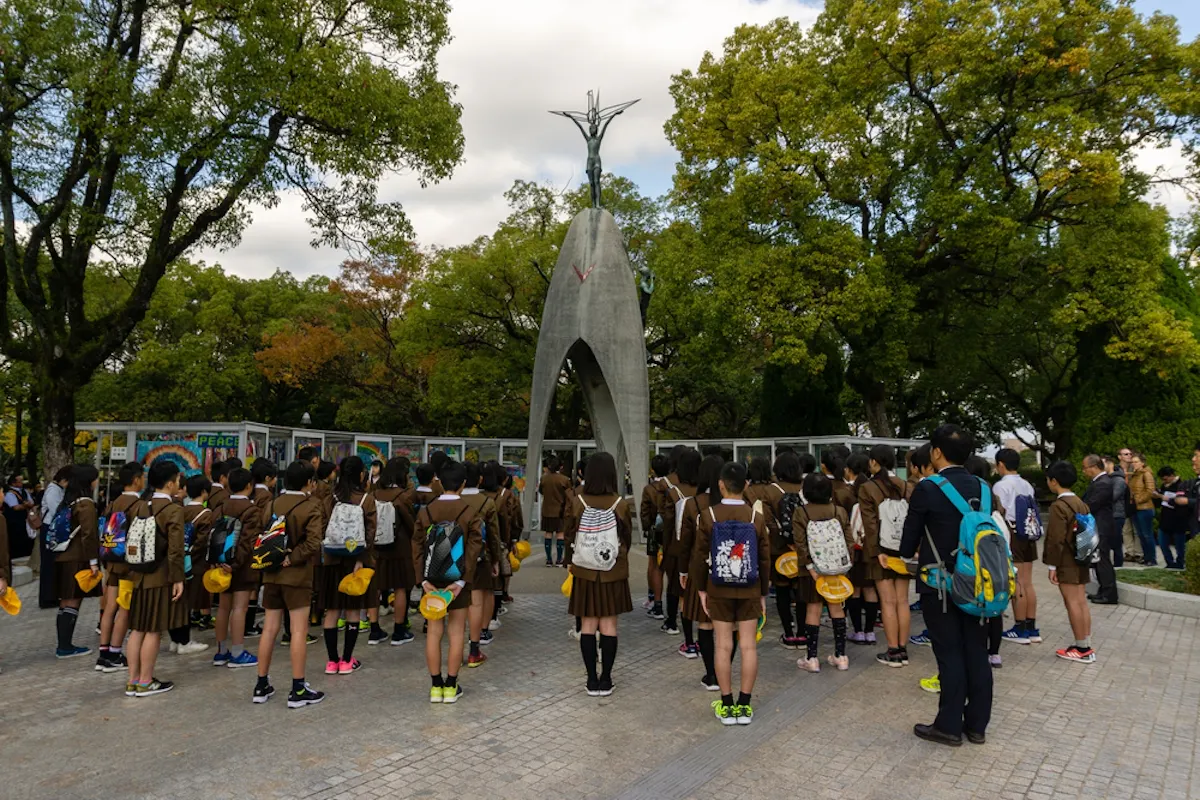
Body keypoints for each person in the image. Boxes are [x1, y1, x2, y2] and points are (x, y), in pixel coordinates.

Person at [900, 424, 991, 747]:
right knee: (976, 650)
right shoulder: (983, 487)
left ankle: (949, 725)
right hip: (980, 583)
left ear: (936, 453)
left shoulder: (928, 488)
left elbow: (907, 543)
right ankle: (977, 724)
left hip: (940, 586)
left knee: (949, 652)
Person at [693, 462, 769, 726]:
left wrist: (701, 589)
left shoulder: (708, 515)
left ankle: (726, 705)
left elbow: (699, 556)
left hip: (718, 587)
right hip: (749, 587)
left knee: (723, 645)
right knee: (748, 645)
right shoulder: (755, 518)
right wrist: (763, 592)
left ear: (721, 484)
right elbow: (764, 559)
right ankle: (744, 706)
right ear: (746, 485)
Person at [254, 460, 326, 708]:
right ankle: (297, 688)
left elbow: (262, 535)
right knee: (298, 630)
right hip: (297, 577)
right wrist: (292, 559)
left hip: (271, 575)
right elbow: (313, 542)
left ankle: (261, 684)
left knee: (269, 629)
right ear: (309, 482)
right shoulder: (311, 506)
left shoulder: (272, 503)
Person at [563, 452, 633, 696]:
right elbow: (627, 539)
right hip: (613, 572)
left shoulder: (577, 501)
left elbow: (569, 534)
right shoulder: (620, 503)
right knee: (609, 625)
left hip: (585, 571)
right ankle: (607, 678)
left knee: (589, 625)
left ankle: (591, 679)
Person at [416, 461, 482, 704]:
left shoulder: (427, 512)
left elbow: (416, 547)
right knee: (456, 633)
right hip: (457, 580)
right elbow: (474, 549)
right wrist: (464, 581)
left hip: (431, 579)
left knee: (434, 632)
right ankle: (451, 686)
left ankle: (435, 687)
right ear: (463, 484)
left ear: (440, 482)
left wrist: (422, 580)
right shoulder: (469, 512)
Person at [125, 460, 186, 697]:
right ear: (170, 483)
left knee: (137, 629)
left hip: (138, 574)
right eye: (178, 480)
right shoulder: (173, 510)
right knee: (153, 630)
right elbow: (175, 549)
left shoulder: (139, 506)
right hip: (160, 576)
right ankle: (146, 681)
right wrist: (178, 578)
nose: (179, 484)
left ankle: (132, 680)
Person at [315, 456, 377, 676]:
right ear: (360, 475)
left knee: (331, 610)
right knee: (352, 610)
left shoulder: (329, 499)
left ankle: (332, 661)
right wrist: (362, 559)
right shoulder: (366, 500)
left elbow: (322, 528)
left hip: (332, 561)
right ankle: (347, 660)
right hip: (355, 562)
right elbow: (370, 535)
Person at [792, 472, 853, 673]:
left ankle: (812, 658)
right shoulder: (839, 511)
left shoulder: (802, 512)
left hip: (812, 571)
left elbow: (800, 544)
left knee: (813, 609)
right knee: (837, 608)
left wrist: (810, 568)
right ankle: (841, 656)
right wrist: (845, 565)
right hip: (837, 570)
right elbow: (848, 540)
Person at [860, 444, 914, 668]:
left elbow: (870, 525)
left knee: (888, 601)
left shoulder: (867, 488)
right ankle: (903, 648)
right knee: (902, 600)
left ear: (873, 462)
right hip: (903, 550)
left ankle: (892, 651)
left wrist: (877, 552)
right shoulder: (907, 486)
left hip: (881, 550)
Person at [1043, 460, 1097, 664]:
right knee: (1081, 601)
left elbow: (1055, 539)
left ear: (1054, 481)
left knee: (1072, 602)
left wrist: (1051, 565)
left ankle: (1081, 647)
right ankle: (1086, 643)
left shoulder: (1059, 506)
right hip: (1082, 556)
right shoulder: (1080, 503)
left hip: (1066, 560)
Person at [679, 454, 726, 686]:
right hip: (730, 570)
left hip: (702, 570)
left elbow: (685, 543)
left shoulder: (693, 503)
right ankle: (724, 670)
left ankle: (712, 675)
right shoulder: (734, 503)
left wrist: (683, 572)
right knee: (728, 625)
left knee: (705, 624)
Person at [49, 465, 102, 659]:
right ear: (89, 481)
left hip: (63, 557)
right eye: (96, 479)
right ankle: (65, 647)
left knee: (64, 603)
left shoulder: (69, 502)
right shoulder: (86, 504)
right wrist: (94, 562)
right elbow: (89, 535)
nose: (97, 482)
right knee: (72, 602)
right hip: (78, 559)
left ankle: (63, 644)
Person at [212, 468, 262, 669]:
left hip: (220, 563)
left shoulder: (221, 506)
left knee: (224, 608)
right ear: (249, 486)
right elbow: (248, 542)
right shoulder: (251, 511)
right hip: (241, 567)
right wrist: (235, 564)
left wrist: (219, 561)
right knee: (239, 608)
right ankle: (238, 651)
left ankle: (221, 651)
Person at [992, 448, 1042, 645]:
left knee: (1017, 581)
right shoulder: (1027, 484)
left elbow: (1000, 512)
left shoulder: (1000, 486)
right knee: (1028, 581)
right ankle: (1031, 626)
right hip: (1029, 531)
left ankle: (1019, 627)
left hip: (1013, 532)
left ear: (1001, 464)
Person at [96, 462, 142, 672]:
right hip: (129, 564)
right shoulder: (140, 505)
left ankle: (103, 653)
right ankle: (115, 652)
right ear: (136, 480)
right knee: (125, 607)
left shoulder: (113, 504)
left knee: (110, 607)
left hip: (112, 561)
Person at [372, 457, 417, 647]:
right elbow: (411, 524)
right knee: (400, 587)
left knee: (375, 586)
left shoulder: (374, 493)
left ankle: (374, 629)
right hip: (399, 546)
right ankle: (399, 630)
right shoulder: (403, 496)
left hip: (376, 547)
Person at [460, 461, 501, 667]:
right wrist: (496, 560)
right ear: (481, 479)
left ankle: (455, 652)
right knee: (476, 602)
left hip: (451, 561)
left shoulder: (450, 501)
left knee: (456, 607)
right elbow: (494, 536)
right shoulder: (486, 503)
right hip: (478, 559)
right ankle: (474, 648)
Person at [167, 475, 211, 656]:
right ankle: (184, 641)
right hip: (194, 565)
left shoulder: (180, 510)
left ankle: (174, 639)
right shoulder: (205, 514)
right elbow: (202, 543)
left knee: (177, 601)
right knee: (187, 603)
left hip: (177, 561)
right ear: (204, 492)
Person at [660, 448, 701, 637]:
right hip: (701, 548)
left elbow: (667, 523)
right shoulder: (704, 493)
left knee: (675, 587)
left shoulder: (674, 492)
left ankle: (672, 622)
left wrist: (666, 547)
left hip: (677, 547)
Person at [767, 452, 804, 649]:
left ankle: (788, 632)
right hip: (804, 548)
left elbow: (766, 521)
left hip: (779, 549)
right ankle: (803, 632)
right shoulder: (806, 487)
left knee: (782, 588)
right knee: (801, 590)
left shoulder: (770, 491)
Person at [1081, 455, 1119, 605]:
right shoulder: (1098, 482)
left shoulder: (1103, 483)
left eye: (1085, 468)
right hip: (1097, 525)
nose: (1084, 471)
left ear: (1094, 467)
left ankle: (1109, 593)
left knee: (1102, 560)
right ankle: (1103, 590)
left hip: (1102, 526)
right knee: (1097, 559)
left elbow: (1092, 504)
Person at [639, 455, 669, 619]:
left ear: (652, 469)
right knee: (671, 566)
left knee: (654, 565)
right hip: (671, 531)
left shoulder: (649, 489)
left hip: (654, 531)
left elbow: (644, 513)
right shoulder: (673, 486)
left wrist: (646, 528)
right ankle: (677, 604)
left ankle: (655, 602)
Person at [538, 457, 572, 566]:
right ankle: (559, 559)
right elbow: (569, 495)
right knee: (560, 534)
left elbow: (541, 491)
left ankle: (548, 559)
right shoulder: (564, 480)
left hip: (547, 510)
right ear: (560, 467)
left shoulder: (544, 479)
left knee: (548, 533)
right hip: (560, 510)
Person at [1154, 466, 1189, 570]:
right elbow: (1160, 502)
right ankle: (1169, 562)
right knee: (1162, 542)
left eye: (1165, 479)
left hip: (1178, 519)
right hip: (1165, 519)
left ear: (1171, 476)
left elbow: (1179, 501)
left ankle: (1179, 563)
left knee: (1179, 545)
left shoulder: (1181, 485)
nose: (1164, 481)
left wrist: (1163, 497)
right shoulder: (1164, 486)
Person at [1127, 453, 1157, 566]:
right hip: (1136, 508)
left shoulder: (1146, 474)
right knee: (1141, 534)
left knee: (1147, 534)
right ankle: (1147, 557)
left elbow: (1150, 490)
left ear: (1142, 463)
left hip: (1145, 508)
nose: (1133, 464)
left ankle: (1152, 559)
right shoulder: (1135, 475)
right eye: (1132, 462)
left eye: (1136, 462)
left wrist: (1138, 499)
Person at [1116, 448, 1141, 563]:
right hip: (1122, 502)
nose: (1129, 456)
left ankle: (1138, 553)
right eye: (1126, 454)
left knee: (1136, 529)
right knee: (1126, 529)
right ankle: (1129, 552)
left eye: (1130, 454)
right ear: (1119, 457)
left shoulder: (1135, 468)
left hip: (1134, 502)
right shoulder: (1116, 469)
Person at [1102, 456, 1127, 568]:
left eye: (1102, 464)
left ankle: (1118, 566)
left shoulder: (1119, 480)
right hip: (1107, 514)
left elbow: (1113, 496)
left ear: (1110, 464)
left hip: (1116, 515)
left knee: (1116, 543)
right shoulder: (1105, 478)